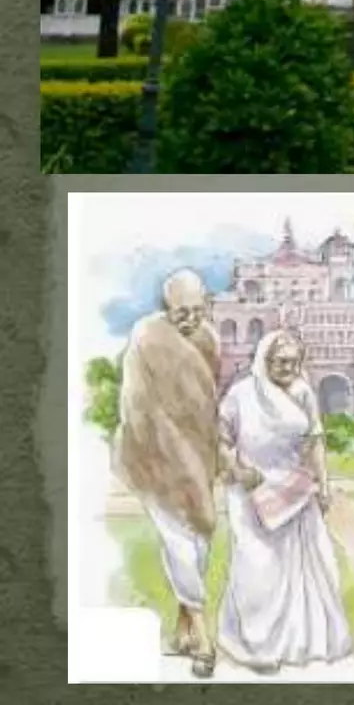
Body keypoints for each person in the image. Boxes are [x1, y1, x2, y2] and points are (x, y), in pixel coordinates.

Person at [216, 329, 353, 672]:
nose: (287, 368)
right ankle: (253, 646)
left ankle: (296, 646)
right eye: (280, 362)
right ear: (265, 360)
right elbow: (219, 439)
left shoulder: (304, 392)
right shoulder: (240, 394)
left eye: (294, 362)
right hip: (251, 492)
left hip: (294, 491)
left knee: (303, 569)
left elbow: (315, 441)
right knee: (256, 568)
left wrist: (324, 485)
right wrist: (238, 469)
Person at [113, 268, 222, 677]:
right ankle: (204, 639)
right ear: (166, 308)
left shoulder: (211, 338)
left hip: (199, 456)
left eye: (197, 310)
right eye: (181, 312)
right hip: (155, 457)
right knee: (180, 545)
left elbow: (209, 398)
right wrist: (168, 452)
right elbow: (136, 406)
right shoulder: (146, 337)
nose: (190, 319)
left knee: (200, 543)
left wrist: (205, 453)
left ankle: (181, 634)